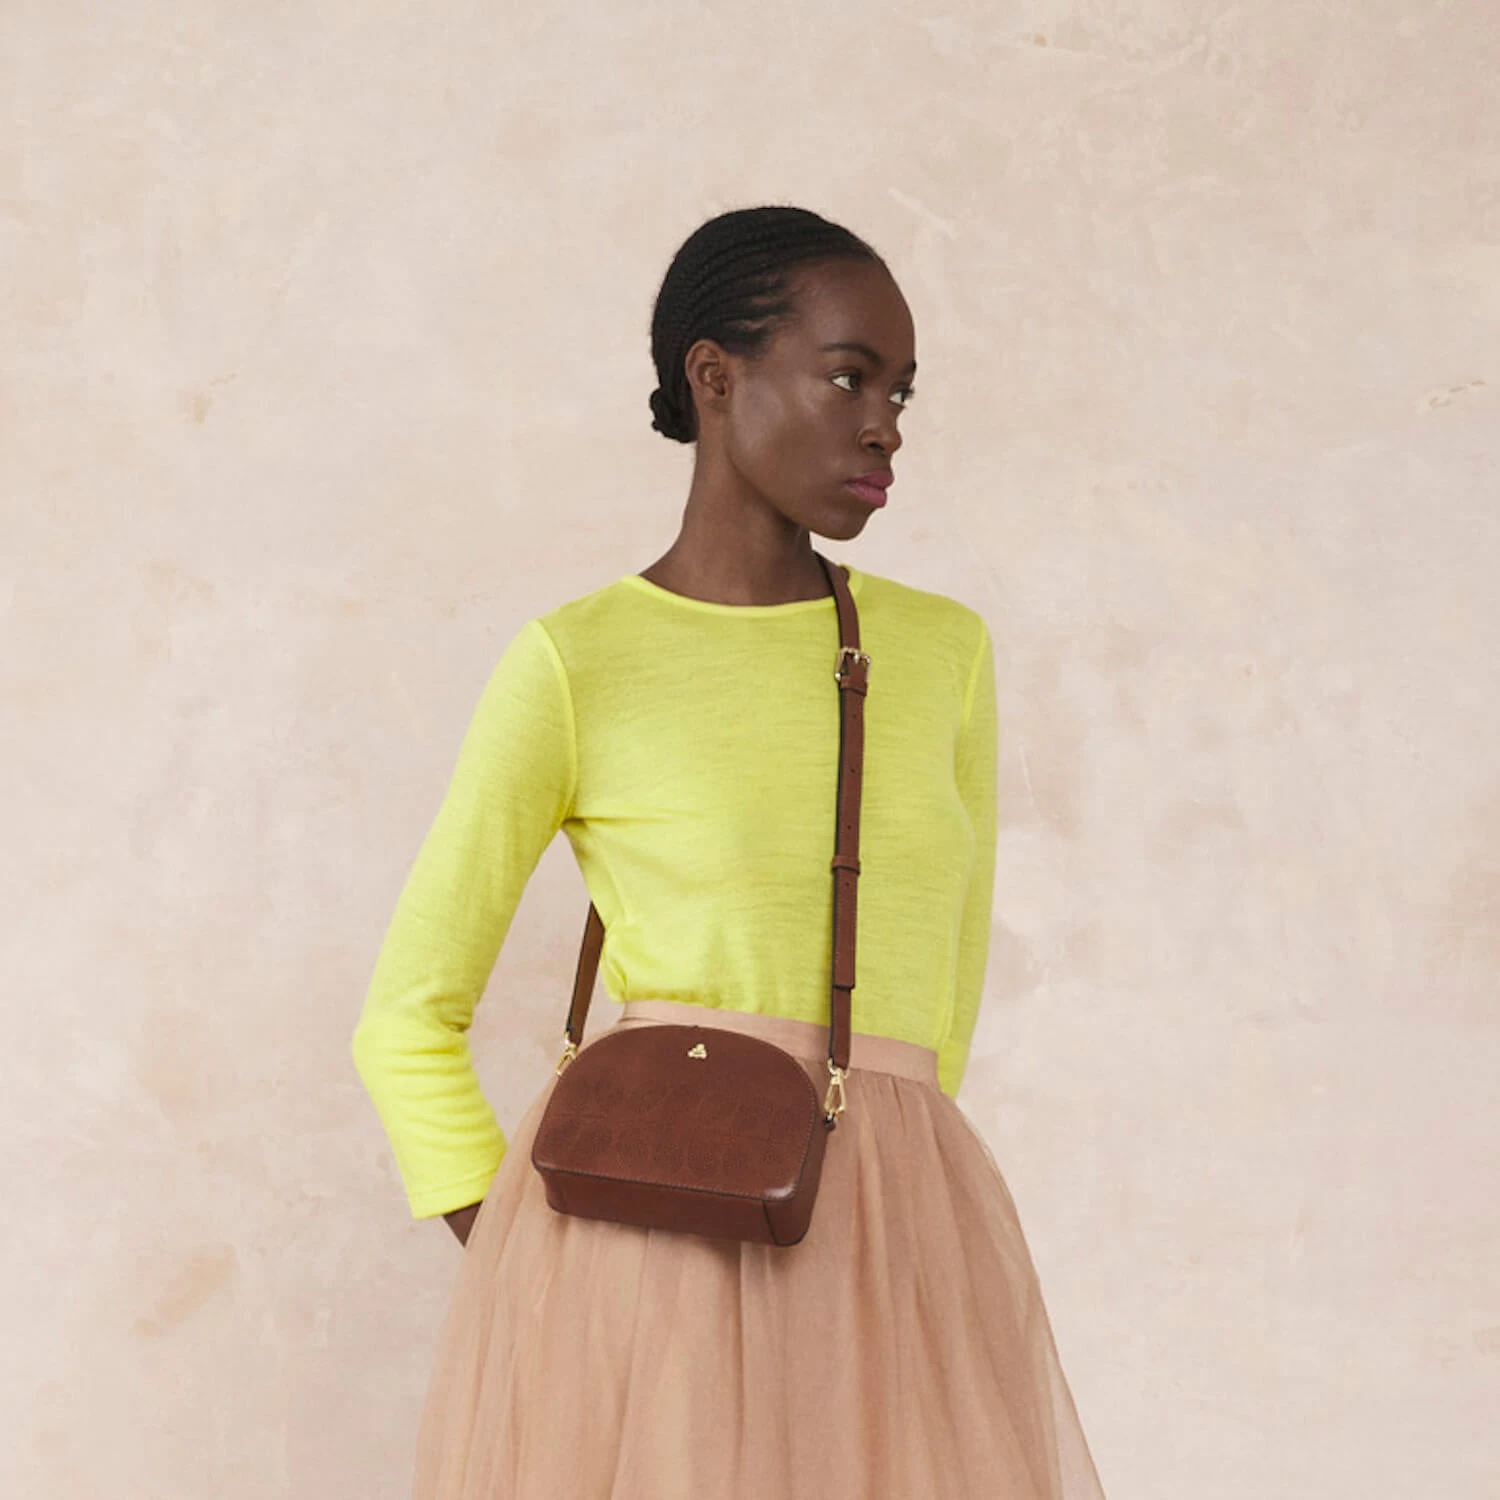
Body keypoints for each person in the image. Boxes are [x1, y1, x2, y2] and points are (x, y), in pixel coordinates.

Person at [351, 204, 1107, 1499]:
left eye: (901, 392)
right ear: (715, 377)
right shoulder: (579, 660)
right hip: (653, 1261)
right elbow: (405, 1019)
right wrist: (533, 1262)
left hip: (896, 1252)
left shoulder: (943, 653)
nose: (886, 426)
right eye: (848, 376)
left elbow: (938, 1017)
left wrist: (887, 1217)